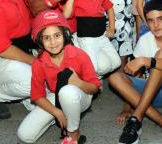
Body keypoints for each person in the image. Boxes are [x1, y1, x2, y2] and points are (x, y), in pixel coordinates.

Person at [16, 9, 101, 144]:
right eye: (46, 38)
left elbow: (95, 88)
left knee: (67, 92)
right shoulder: (39, 62)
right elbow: (37, 96)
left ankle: (73, 133)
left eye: (57, 35)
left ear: (64, 35)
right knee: (25, 135)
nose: (53, 42)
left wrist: (78, 83)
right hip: (56, 96)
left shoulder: (79, 54)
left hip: (81, 95)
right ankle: (63, 115)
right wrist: (56, 112)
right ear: (40, 40)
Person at [109, 0, 162, 144]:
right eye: (150, 21)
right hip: (150, 94)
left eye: (160, 19)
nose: (155, 25)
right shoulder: (144, 40)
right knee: (115, 78)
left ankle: (136, 118)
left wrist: (146, 60)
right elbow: (136, 74)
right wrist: (127, 107)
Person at [62, 0, 120, 77]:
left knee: (116, 62)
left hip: (102, 36)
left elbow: (109, 8)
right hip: (87, 39)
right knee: (93, 67)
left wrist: (112, 28)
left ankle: (93, 76)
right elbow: (66, 15)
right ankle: (89, 79)